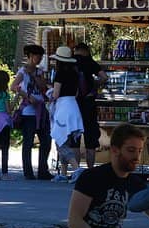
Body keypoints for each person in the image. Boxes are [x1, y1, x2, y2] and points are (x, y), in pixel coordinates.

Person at [11, 44, 52, 180]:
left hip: (41, 109)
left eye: (40, 57)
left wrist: (36, 76)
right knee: (28, 142)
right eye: (36, 56)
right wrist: (27, 96)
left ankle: (43, 170)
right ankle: (28, 172)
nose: (39, 59)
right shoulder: (22, 71)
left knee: (46, 140)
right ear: (30, 56)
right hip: (28, 111)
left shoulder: (39, 72)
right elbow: (13, 86)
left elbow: (43, 87)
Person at [49, 46, 84, 182]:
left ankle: (76, 168)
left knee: (60, 141)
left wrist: (49, 94)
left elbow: (56, 94)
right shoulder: (75, 73)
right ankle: (63, 173)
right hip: (73, 106)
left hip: (63, 107)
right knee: (66, 140)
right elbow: (76, 92)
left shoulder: (59, 74)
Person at [74, 42, 107, 168]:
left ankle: (76, 170)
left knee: (74, 141)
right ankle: (90, 169)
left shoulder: (69, 62)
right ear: (86, 50)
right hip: (89, 104)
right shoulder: (90, 62)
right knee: (91, 141)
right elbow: (104, 77)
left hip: (74, 105)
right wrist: (94, 85)